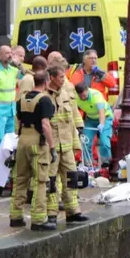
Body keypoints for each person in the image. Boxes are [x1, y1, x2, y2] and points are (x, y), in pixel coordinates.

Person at [11, 70, 57, 231]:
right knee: (40, 180)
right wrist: (52, 147)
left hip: (22, 140)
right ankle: (38, 219)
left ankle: (15, 216)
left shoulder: (21, 99)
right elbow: (45, 124)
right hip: (37, 141)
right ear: (46, 82)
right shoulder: (44, 99)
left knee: (20, 179)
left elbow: (19, 120)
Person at [46, 65, 89, 225]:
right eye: (61, 77)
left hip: (67, 144)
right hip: (52, 146)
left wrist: (78, 134)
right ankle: (51, 213)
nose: (64, 80)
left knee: (71, 178)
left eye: (64, 77)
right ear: (52, 78)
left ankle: (73, 211)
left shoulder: (65, 93)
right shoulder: (44, 96)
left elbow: (73, 115)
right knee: (51, 181)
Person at [74, 83, 114, 175]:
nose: (83, 97)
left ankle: (106, 163)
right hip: (90, 119)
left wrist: (102, 124)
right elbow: (74, 111)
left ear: (87, 90)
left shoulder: (96, 95)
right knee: (85, 141)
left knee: (104, 141)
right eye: (80, 96)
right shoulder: (76, 97)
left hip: (105, 117)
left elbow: (101, 112)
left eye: (84, 95)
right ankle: (88, 164)